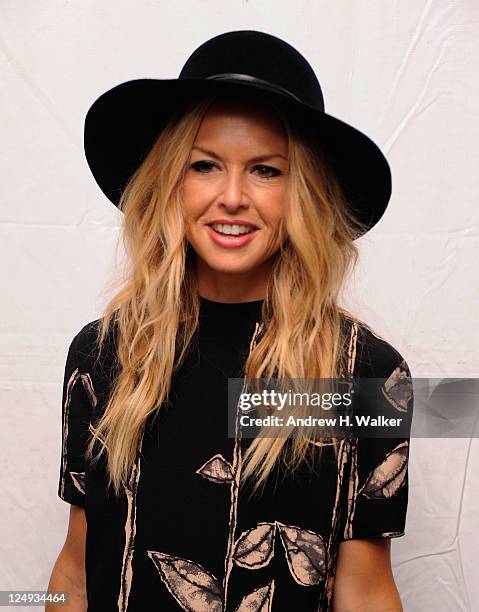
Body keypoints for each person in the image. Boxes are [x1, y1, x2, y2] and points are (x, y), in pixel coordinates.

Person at [47, 30, 414, 612]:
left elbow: (365, 589)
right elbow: (75, 570)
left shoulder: (361, 374)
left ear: (305, 194)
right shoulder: (101, 355)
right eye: (205, 165)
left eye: (267, 170)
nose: (233, 196)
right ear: (172, 182)